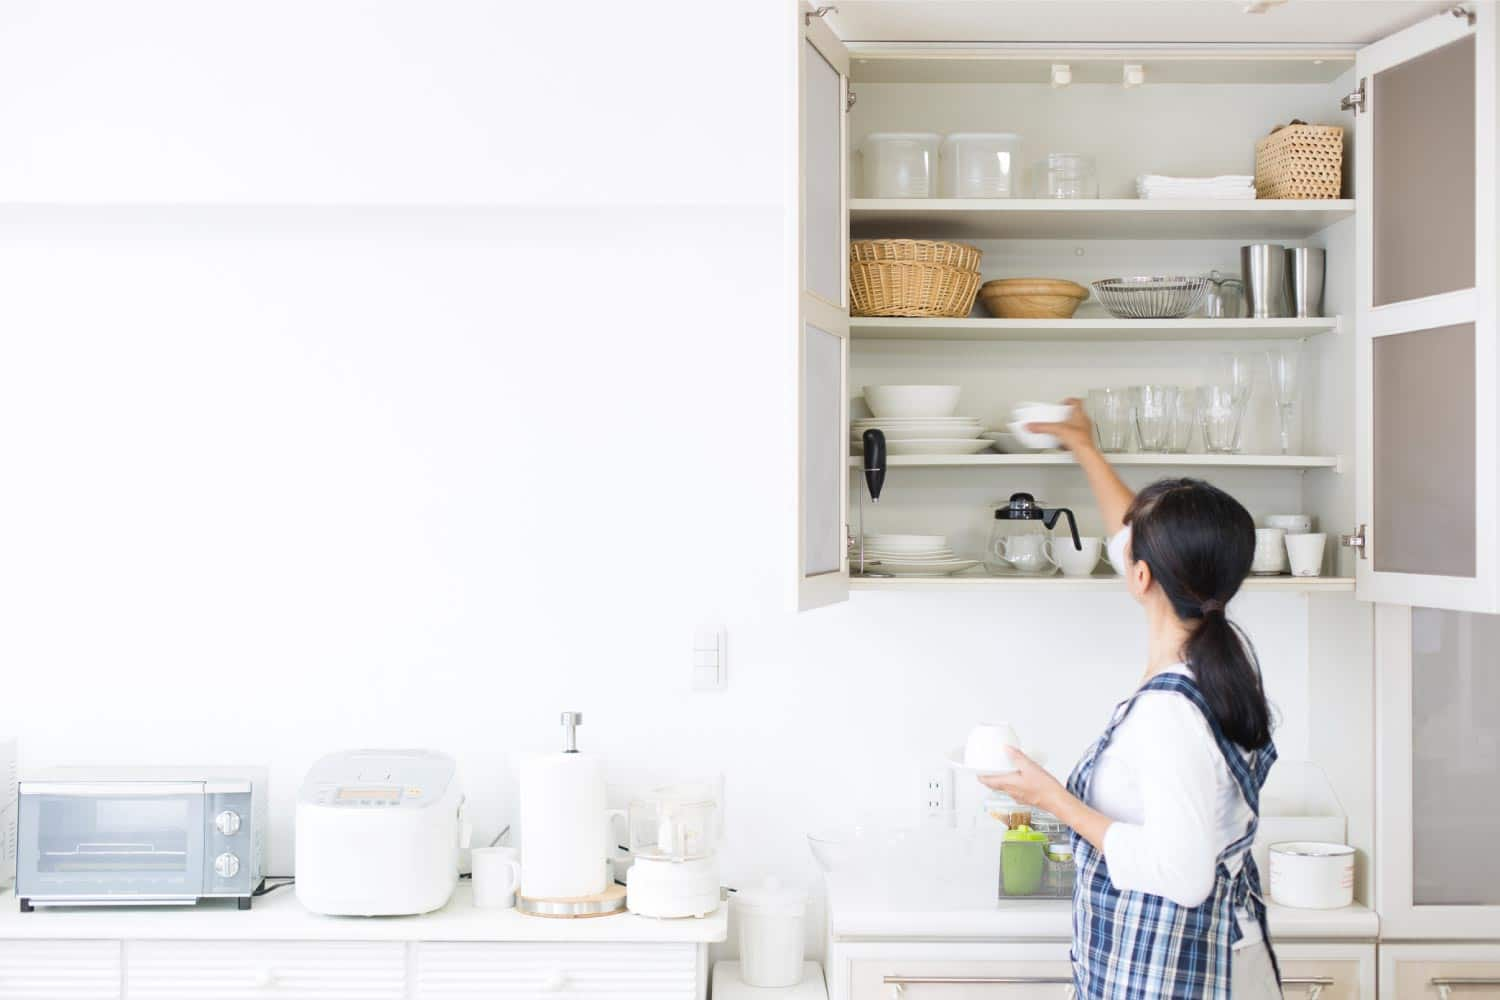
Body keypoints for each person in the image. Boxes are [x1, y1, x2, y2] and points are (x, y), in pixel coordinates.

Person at [984, 399, 1282, 999]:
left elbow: (1183, 874)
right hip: (1207, 962)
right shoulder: (1220, 662)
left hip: (1178, 978)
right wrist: (1084, 446)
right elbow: (1135, 539)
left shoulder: (1171, 712)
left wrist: (1050, 798)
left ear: (1143, 577)